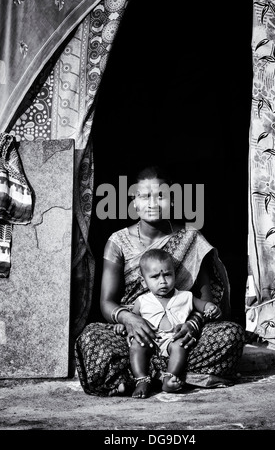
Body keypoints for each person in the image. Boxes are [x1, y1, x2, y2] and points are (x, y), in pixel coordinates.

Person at [75, 165, 245, 397]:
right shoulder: (118, 241)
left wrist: (192, 326)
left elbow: (207, 298)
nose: (153, 203)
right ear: (134, 202)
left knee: (231, 334)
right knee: (91, 336)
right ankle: (173, 375)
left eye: (160, 196)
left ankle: (139, 376)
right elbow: (107, 302)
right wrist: (130, 319)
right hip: (134, 337)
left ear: (172, 201)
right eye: (144, 196)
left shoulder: (190, 237)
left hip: (181, 338)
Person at [114, 247, 222, 398]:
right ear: (143, 280)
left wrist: (211, 307)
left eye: (167, 275)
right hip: (149, 338)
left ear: (175, 275)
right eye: (155, 277)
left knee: (180, 346)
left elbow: (203, 306)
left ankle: (169, 378)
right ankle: (142, 379)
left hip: (173, 338)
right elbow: (133, 319)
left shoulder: (186, 296)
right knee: (136, 345)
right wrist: (123, 324)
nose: (163, 281)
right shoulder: (142, 300)